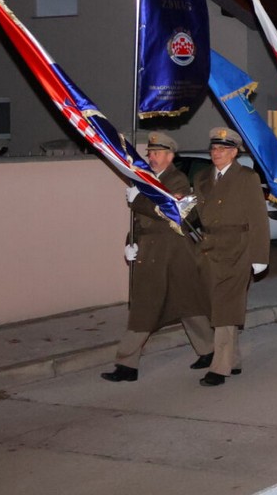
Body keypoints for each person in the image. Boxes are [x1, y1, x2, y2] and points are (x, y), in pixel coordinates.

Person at [101, 132, 213, 383]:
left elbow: (172, 212)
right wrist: (130, 244)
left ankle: (209, 349)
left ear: (170, 156)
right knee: (146, 308)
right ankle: (127, 365)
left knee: (188, 305)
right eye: (150, 153)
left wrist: (138, 200)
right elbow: (141, 223)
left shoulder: (178, 180)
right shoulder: (145, 180)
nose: (151, 157)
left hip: (173, 252)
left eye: (157, 153)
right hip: (152, 252)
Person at [190, 127, 271, 386]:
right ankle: (232, 359)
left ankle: (220, 367)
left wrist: (260, 256)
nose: (217, 153)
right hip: (209, 248)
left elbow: (259, 219)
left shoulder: (246, 178)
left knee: (225, 308)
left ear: (234, 153)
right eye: (214, 149)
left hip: (238, 249)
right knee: (218, 307)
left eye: (223, 149)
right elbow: (192, 212)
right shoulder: (202, 177)